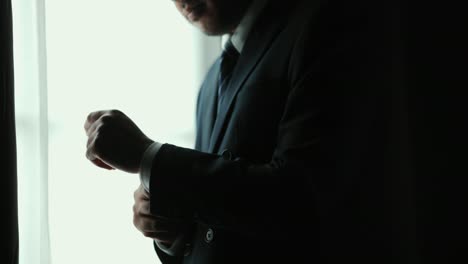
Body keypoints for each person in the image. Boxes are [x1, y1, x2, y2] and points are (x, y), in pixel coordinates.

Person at [84, 0, 417, 263]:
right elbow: (224, 220)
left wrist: (148, 157)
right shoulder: (212, 79)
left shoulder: (328, 23)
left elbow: (300, 197)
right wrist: (171, 232)